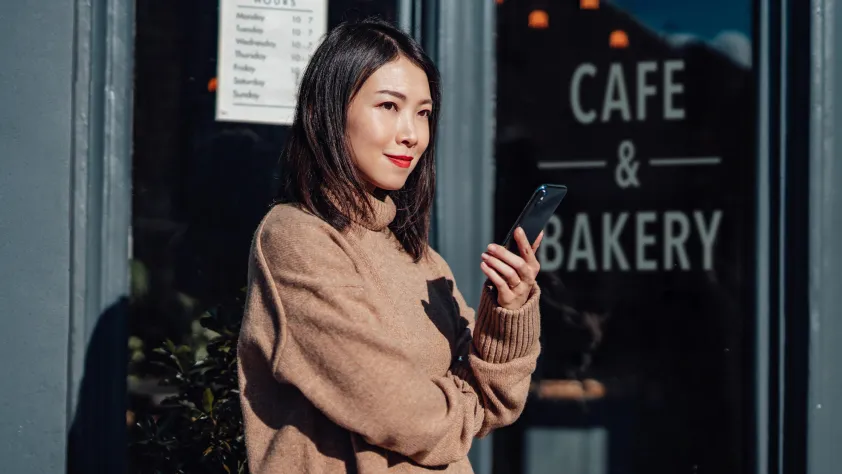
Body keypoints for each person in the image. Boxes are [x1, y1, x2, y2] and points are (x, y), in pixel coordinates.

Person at [237, 18, 543, 474]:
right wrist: (464, 406)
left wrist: (508, 310)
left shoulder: (418, 258)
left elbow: (495, 400)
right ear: (329, 111)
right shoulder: (295, 238)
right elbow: (389, 405)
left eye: (423, 112)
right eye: (389, 105)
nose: (412, 134)